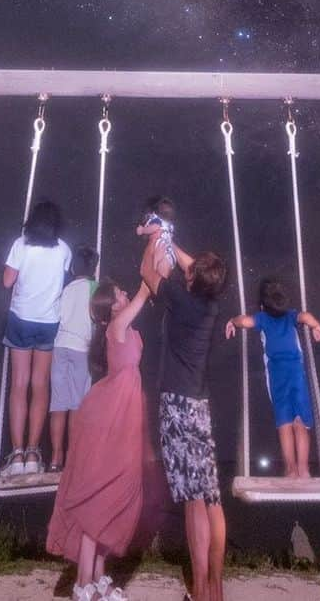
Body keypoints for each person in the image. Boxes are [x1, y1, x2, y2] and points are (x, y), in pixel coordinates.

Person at [47, 276, 152, 601]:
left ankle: (97, 576)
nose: (124, 292)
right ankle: (83, 584)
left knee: (115, 494)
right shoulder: (118, 323)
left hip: (124, 412)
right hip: (110, 413)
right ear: (113, 306)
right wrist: (158, 245)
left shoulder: (124, 326)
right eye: (120, 292)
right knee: (98, 496)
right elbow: (147, 289)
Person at [141, 239, 227, 601]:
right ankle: (217, 587)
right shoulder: (210, 304)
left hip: (177, 406)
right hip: (201, 406)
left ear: (192, 279)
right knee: (211, 496)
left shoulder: (179, 296)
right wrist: (171, 240)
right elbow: (202, 270)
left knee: (193, 500)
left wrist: (153, 242)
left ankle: (201, 587)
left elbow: (146, 273)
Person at [225, 277, 320, 479]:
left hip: (277, 376)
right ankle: (303, 469)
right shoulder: (290, 316)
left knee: (285, 422)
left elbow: (245, 321)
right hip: (296, 373)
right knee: (301, 422)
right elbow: (305, 316)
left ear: (262, 305)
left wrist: (231, 321)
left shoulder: (262, 318)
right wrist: (317, 326)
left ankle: (291, 470)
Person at [2, 199, 72, 476]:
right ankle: (33, 452)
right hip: (48, 322)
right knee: (40, 385)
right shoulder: (64, 250)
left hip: (20, 318)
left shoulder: (20, 245)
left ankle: (17, 455)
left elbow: (7, 281)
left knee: (19, 384)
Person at [49, 243, 100, 472]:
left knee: (59, 403)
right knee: (77, 404)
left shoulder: (67, 288)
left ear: (73, 269)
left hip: (60, 347)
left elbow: (58, 314)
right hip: (81, 349)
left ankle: (55, 458)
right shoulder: (95, 288)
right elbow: (97, 319)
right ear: (93, 268)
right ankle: (73, 457)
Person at [135, 194, 177, 270]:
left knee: (155, 259)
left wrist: (142, 230)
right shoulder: (170, 225)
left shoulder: (158, 221)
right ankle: (162, 266)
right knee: (164, 257)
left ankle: (155, 267)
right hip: (169, 251)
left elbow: (154, 227)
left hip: (159, 247)